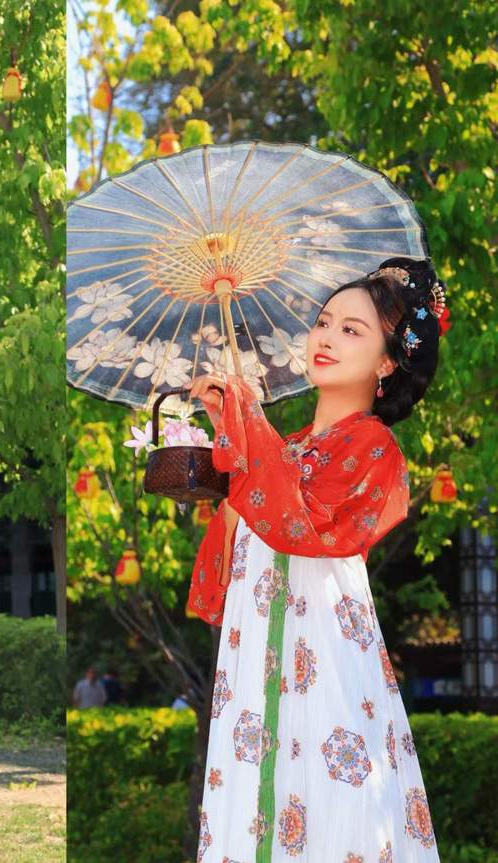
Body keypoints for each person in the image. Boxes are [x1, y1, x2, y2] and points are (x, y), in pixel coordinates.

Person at [185, 258, 443, 861]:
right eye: (324, 322)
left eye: (352, 330)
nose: (326, 337)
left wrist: (248, 429)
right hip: (252, 674)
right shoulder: (288, 447)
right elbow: (223, 573)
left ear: (387, 362)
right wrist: (230, 435)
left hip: (324, 663)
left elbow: (303, 526)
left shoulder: (374, 448)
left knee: (334, 816)